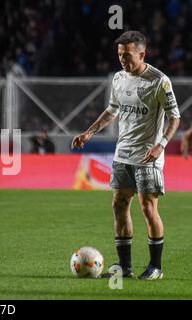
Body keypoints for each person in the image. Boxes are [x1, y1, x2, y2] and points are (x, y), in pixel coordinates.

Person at [72, 31, 181, 280]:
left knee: (147, 208)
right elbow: (112, 110)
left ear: (142, 54)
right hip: (123, 154)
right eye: (120, 55)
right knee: (119, 205)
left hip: (148, 156)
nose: (122, 59)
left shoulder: (159, 81)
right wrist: (89, 133)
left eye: (128, 55)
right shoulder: (119, 78)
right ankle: (125, 267)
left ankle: (156, 267)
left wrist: (161, 144)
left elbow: (175, 117)